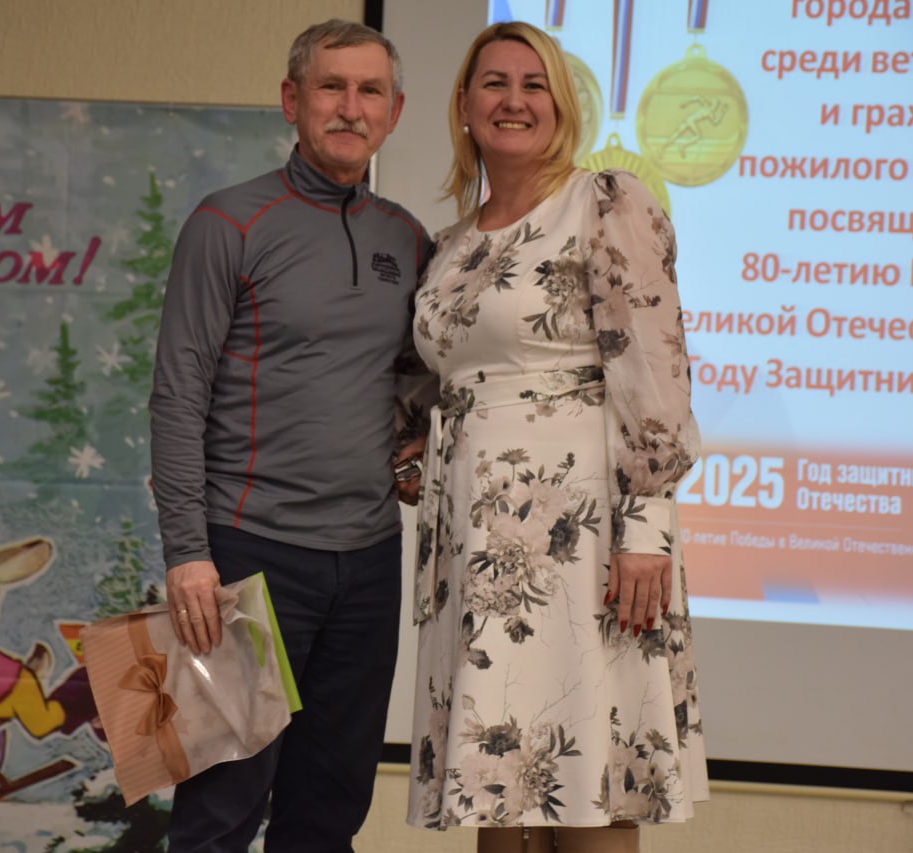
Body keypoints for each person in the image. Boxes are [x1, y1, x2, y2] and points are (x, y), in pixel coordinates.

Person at [406, 21, 708, 853]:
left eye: (534, 84)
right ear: (463, 105)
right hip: (474, 542)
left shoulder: (605, 202)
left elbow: (655, 369)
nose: (514, 100)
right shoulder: (451, 245)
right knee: (501, 788)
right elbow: (441, 379)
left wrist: (647, 530)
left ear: (563, 105)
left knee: (588, 781)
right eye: (494, 83)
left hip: (586, 540)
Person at [149, 19, 432, 853]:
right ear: (291, 100)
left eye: (370, 91)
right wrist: (187, 552)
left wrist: (417, 440)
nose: (351, 107)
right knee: (220, 813)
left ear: (395, 111)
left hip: (369, 562)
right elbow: (177, 395)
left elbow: (415, 374)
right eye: (330, 87)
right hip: (249, 554)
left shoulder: (407, 238)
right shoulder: (228, 223)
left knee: (328, 813)